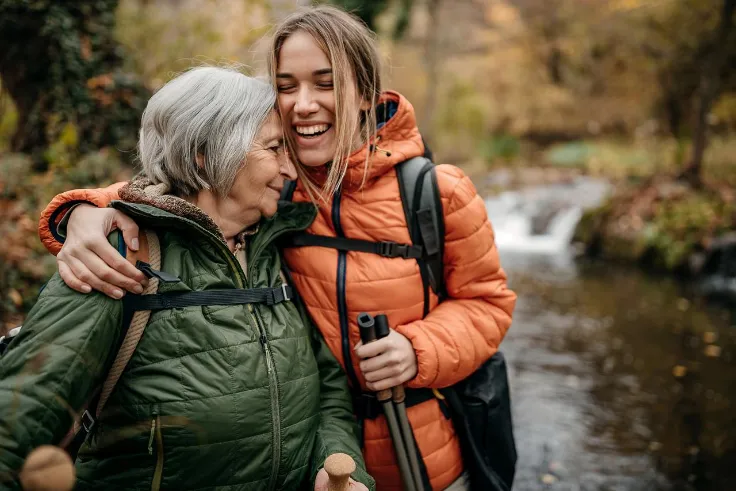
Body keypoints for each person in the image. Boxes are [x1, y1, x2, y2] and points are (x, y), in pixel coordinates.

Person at [36, 6, 517, 490]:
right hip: (307, 461)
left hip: (423, 458)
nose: (302, 104)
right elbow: (176, 187)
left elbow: (488, 305)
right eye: (286, 86)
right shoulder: (273, 185)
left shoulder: (437, 193)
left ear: (367, 93)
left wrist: (419, 349)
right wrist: (84, 209)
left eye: (325, 83)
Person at [2, 66, 373, 491]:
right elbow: (18, 418)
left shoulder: (277, 252)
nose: (291, 169)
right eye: (274, 148)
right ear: (204, 153)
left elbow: (327, 391)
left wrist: (335, 466)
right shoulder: (119, 256)